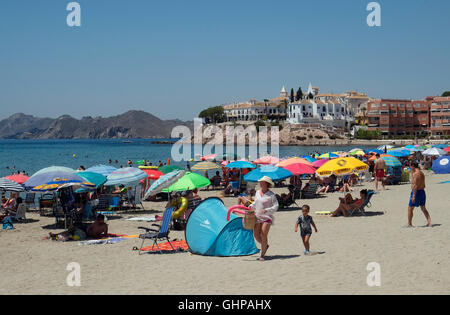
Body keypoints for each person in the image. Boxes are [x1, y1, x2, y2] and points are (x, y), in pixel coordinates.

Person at [249, 176, 279, 261]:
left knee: (263, 234)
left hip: (267, 216)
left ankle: (262, 255)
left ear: (266, 184)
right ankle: (265, 245)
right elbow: (255, 202)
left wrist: (267, 210)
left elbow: (276, 206)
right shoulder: (258, 192)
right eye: (260, 182)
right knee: (256, 235)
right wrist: (250, 206)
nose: (260, 183)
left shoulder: (271, 194)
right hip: (257, 216)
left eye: (262, 182)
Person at [407, 162, 432, 227]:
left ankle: (409, 224)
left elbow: (415, 185)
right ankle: (429, 222)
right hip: (422, 191)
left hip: (417, 192)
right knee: (423, 208)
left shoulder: (416, 174)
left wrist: (413, 196)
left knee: (410, 208)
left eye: (410, 166)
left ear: (413, 166)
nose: (410, 168)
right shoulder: (421, 173)